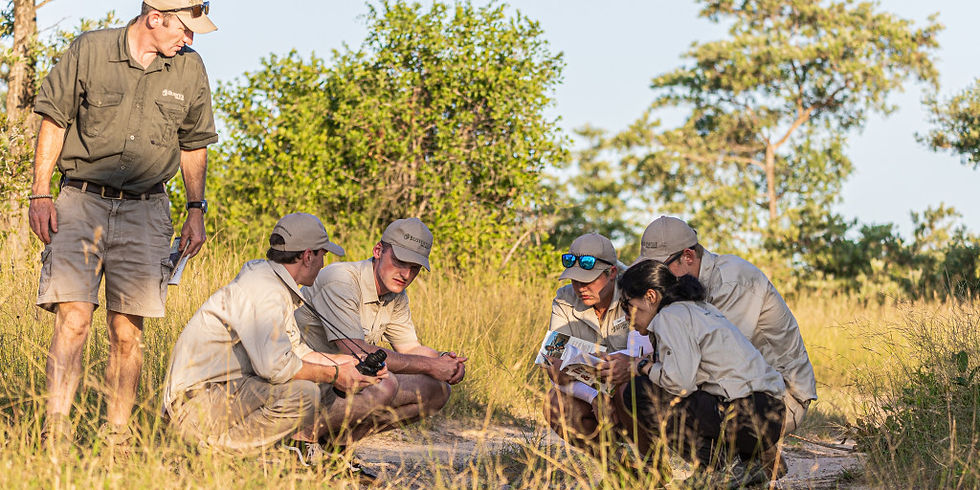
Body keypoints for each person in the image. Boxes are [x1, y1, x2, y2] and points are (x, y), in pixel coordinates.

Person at [27, 1, 219, 447]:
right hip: (81, 201)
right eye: (185, 29)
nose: (189, 39)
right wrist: (40, 193)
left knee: (127, 331)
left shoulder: (190, 69)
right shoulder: (90, 50)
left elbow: (194, 143)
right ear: (155, 18)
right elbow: (53, 119)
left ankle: (117, 437)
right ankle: (54, 433)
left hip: (147, 210)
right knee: (73, 320)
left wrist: (196, 208)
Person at [163, 213, 389, 457]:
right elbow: (275, 367)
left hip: (214, 396)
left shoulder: (272, 283)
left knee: (310, 384)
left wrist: (351, 363)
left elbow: (297, 352)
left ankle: (227, 450)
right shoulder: (264, 289)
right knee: (305, 393)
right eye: (323, 255)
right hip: (194, 407)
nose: (323, 264)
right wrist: (334, 374)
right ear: (307, 255)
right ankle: (217, 453)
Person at [634, 216, 817, 434]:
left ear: (688, 256)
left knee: (666, 385)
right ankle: (720, 461)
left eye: (659, 267)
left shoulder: (732, 281)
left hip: (779, 399)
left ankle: (741, 458)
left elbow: (721, 365)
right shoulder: (683, 292)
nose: (653, 276)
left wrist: (643, 366)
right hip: (744, 393)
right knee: (643, 389)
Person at [618, 259, 787, 485]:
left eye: (626, 304)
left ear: (650, 297)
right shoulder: (699, 308)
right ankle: (749, 465)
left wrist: (641, 366)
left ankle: (710, 468)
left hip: (747, 414)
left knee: (639, 392)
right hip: (770, 412)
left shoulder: (669, 316)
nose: (626, 316)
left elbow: (680, 383)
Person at [293, 217, 466, 437]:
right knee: (384, 385)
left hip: (343, 381)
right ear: (378, 250)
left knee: (437, 390)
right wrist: (431, 366)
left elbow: (411, 349)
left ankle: (337, 450)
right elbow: (359, 352)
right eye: (400, 261)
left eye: (415, 268)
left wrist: (445, 361)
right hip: (303, 379)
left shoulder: (396, 293)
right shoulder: (340, 279)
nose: (406, 274)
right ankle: (299, 440)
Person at [541, 233, 648, 455]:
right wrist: (594, 396)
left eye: (588, 280)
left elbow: (658, 356)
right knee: (555, 405)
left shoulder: (638, 292)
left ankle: (651, 462)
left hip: (637, 389)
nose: (580, 287)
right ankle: (618, 470)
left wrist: (630, 368)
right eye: (574, 279)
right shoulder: (564, 299)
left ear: (612, 273)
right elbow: (554, 365)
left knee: (628, 391)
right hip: (593, 393)